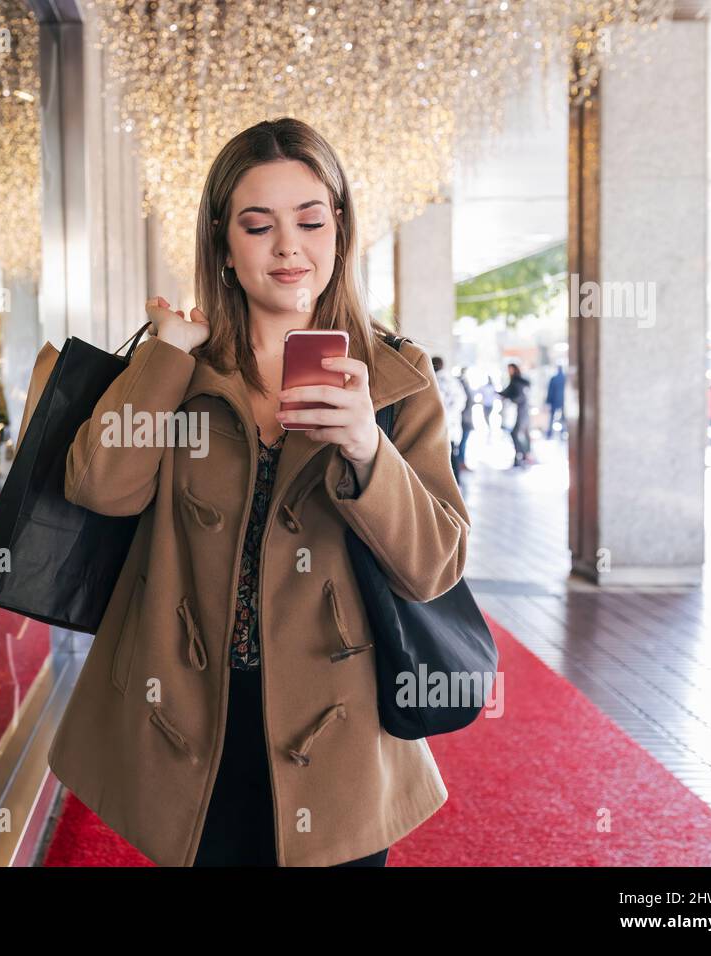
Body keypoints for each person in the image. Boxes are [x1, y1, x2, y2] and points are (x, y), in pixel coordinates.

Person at [45, 118, 469, 868]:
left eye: (311, 219)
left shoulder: (398, 379)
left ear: (340, 229)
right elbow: (100, 488)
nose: (287, 247)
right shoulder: (181, 368)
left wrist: (368, 447)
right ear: (223, 241)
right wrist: (166, 357)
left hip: (339, 734)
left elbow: (434, 565)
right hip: (191, 725)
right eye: (257, 224)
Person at [433, 355, 467, 482]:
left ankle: (452, 483)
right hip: (452, 425)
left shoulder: (438, 381)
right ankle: (456, 482)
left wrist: (444, 417)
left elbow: (438, 404)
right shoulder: (453, 381)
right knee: (452, 454)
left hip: (445, 425)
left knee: (447, 457)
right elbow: (461, 401)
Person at [498, 362, 532, 467]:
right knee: (519, 433)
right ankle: (522, 455)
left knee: (516, 433)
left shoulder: (517, 382)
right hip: (521, 411)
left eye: (511, 369)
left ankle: (522, 456)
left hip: (521, 411)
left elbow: (518, 397)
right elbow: (507, 392)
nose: (509, 371)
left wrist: (509, 398)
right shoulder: (516, 381)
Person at [456, 367, 475, 470]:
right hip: (464, 419)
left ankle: (461, 461)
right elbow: (466, 402)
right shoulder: (462, 384)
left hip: (466, 418)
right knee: (462, 441)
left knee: (463, 440)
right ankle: (460, 462)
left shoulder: (464, 384)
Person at [546, 363, 566, 439]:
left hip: (555, 401)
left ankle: (550, 433)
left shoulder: (554, 378)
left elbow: (550, 391)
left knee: (552, 418)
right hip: (562, 401)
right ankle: (562, 432)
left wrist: (548, 401)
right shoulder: (564, 378)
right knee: (562, 418)